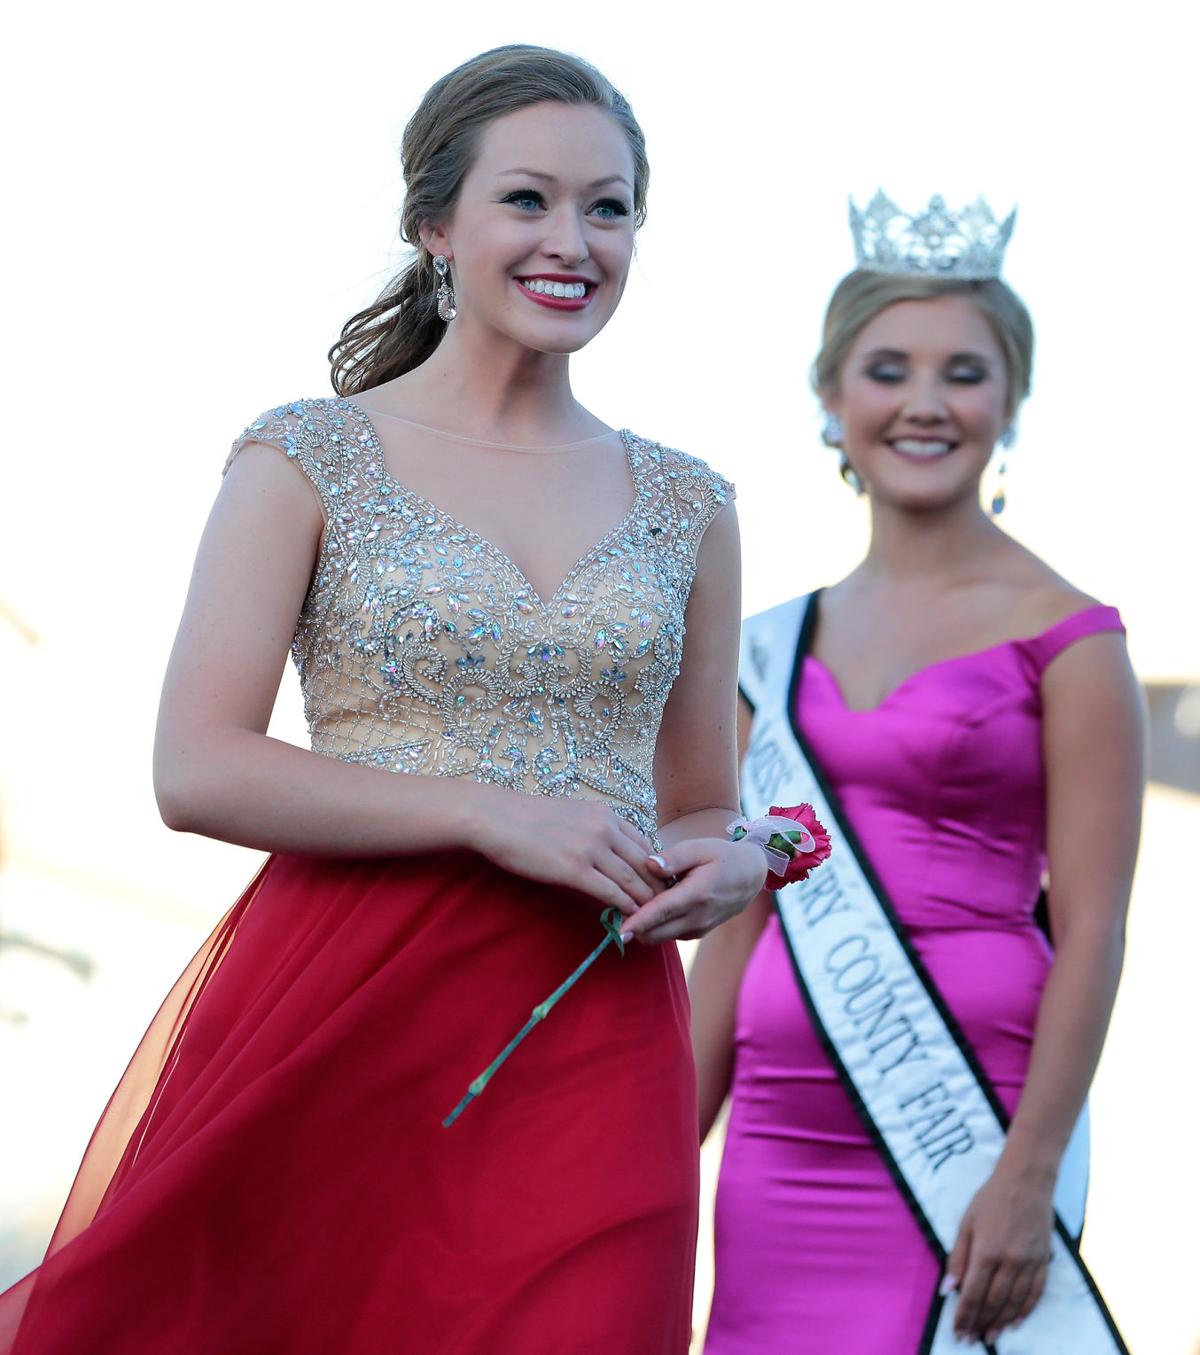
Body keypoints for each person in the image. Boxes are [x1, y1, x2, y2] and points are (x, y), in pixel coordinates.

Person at [0, 45, 769, 1355]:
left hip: (592, 1033)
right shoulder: (306, 456)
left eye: (609, 206)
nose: (572, 240)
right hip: (344, 1001)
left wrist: (731, 864)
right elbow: (196, 767)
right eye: (527, 200)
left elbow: (703, 808)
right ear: (435, 224)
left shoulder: (692, 505)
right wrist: (486, 812)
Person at [692, 193, 1145, 1352]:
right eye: (889, 368)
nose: (926, 403)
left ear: (1012, 401)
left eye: (965, 372)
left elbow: (1093, 929)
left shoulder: (1077, 639)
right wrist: (660, 1146)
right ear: (833, 400)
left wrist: (1026, 1175)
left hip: (969, 1122)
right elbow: (738, 920)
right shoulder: (770, 644)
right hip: (778, 1129)